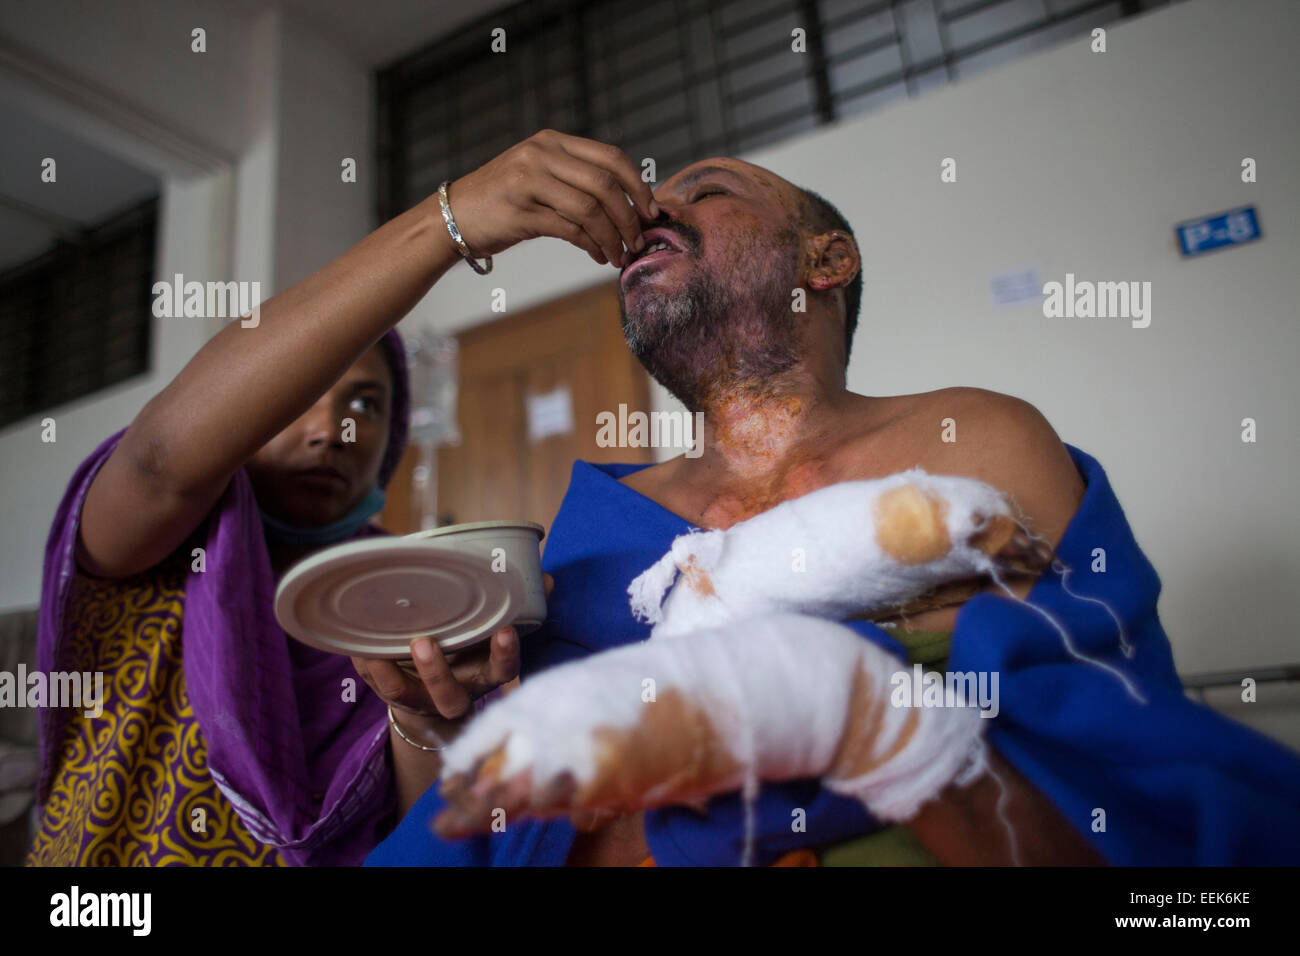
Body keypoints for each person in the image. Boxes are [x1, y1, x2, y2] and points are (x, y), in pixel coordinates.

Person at [363, 135, 1300, 866]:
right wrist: (433, 728)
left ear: (828, 259)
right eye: (654, 199)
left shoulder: (972, 439)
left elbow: (1109, 730)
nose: (654, 209)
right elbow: (476, 826)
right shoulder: (595, 535)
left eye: (707, 189)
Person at [25, 127, 666, 863]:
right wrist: (448, 221)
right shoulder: (166, 538)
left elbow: (400, 823)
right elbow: (161, 462)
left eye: (365, 405)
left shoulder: (401, 591)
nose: (333, 430)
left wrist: (420, 717)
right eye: (297, 402)